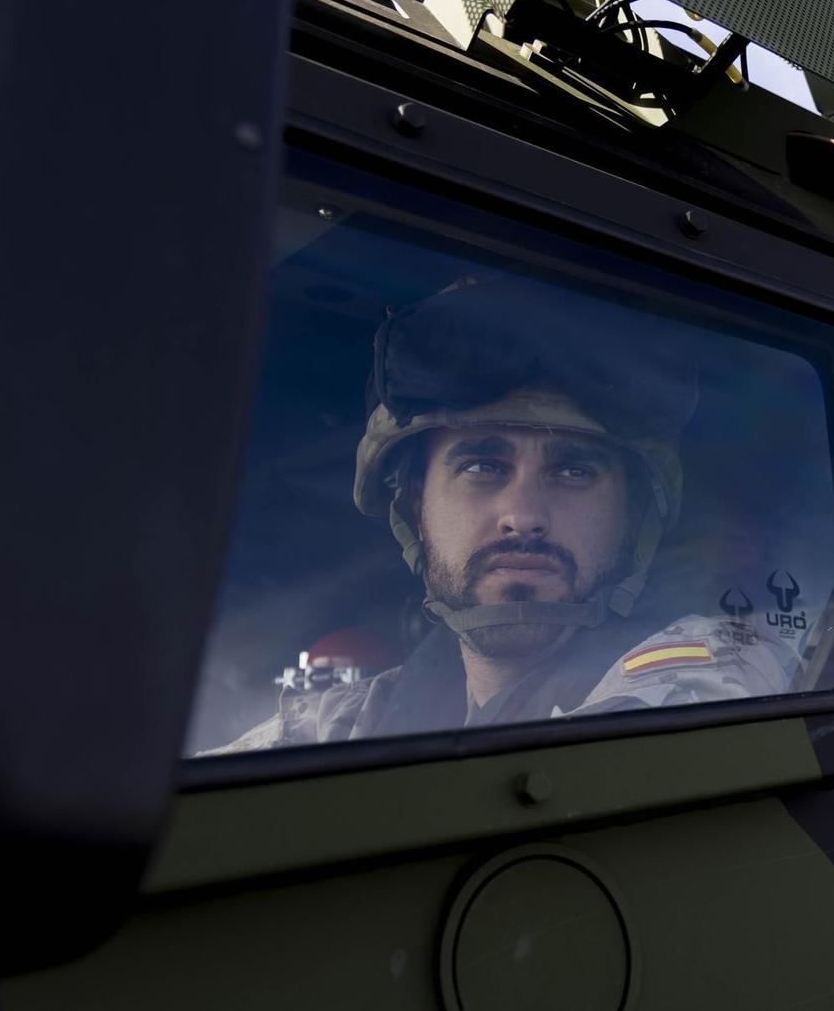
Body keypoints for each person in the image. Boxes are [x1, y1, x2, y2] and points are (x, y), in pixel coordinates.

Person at [211, 274, 798, 752]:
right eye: (482, 467)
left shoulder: (720, 665)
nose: (523, 516)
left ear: (634, 513)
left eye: (573, 471)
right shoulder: (354, 722)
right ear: (415, 505)